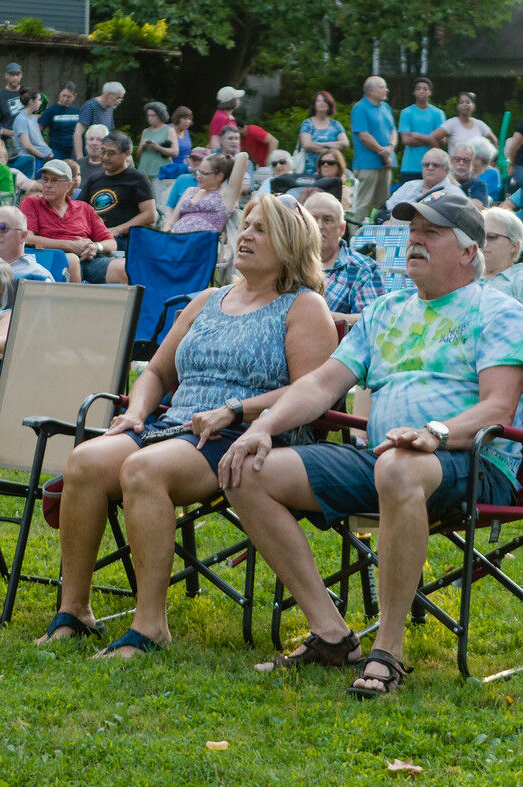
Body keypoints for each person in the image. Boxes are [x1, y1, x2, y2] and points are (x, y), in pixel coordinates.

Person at [217, 192, 523, 696]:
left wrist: (434, 433)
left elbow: (498, 409)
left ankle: (387, 651)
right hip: (384, 458)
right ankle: (330, 634)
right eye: (412, 232)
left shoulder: (499, 312)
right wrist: (262, 424)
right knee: (247, 469)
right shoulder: (386, 311)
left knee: (398, 466)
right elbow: (321, 385)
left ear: (468, 252)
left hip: (474, 460)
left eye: (431, 234)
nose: (414, 240)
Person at [39, 194, 337, 657]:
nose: (246, 235)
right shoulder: (209, 299)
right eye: (247, 225)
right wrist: (137, 411)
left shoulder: (304, 307)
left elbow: (312, 391)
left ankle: (150, 625)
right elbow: (156, 372)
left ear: (292, 244)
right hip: (173, 425)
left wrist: (236, 408)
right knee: (85, 461)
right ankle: (74, 610)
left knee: (145, 470)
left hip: (244, 434)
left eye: (262, 230)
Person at [21, 159, 113, 283]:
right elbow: (28, 238)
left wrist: (95, 246)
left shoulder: (84, 208)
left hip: (88, 259)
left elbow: (111, 243)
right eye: (45, 179)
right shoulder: (32, 202)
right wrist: (70, 245)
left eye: (54, 180)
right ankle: (76, 302)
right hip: (51, 259)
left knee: (121, 267)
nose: (47, 184)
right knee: (71, 260)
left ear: (68, 185)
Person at [304, 192, 383, 322]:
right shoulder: (287, 263)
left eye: (327, 220)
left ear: (341, 228)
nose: (319, 226)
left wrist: (324, 318)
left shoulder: (363, 269)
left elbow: (373, 320)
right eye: (312, 219)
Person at [78, 131, 156, 254]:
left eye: (111, 153)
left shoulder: (137, 178)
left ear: (126, 154)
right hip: (95, 237)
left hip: (124, 240)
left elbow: (150, 215)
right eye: (103, 151)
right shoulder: (94, 179)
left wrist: (117, 230)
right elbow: (78, 209)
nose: (104, 157)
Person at [481, 207, 523, 330]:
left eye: (491, 237)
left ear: (514, 245)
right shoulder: (465, 277)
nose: (483, 243)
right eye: (480, 237)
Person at [166, 151, 249, 234]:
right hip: (175, 239)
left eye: (204, 173)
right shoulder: (190, 191)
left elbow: (243, 156)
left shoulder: (226, 195)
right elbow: (172, 221)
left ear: (220, 176)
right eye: (199, 171)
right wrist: (164, 235)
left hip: (201, 243)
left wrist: (227, 161)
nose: (198, 176)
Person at [350, 76, 398, 220]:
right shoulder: (360, 108)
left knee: (382, 204)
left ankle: (377, 235)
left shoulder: (385, 107)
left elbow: (393, 130)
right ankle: (355, 238)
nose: (386, 90)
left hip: (386, 163)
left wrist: (391, 147)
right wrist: (383, 152)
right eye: (382, 87)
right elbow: (364, 136)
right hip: (367, 165)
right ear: (370, 90)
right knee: (362, 203)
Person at [398, 77, 445, 185]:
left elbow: (441, 142)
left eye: (425, 89)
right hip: (410, 167)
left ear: (430, 92)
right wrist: (431, 140)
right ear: (414, 92)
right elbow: (405, 140)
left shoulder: (438, 113)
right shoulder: (406, 112)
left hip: (433, 166)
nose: (421, 91)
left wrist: (418, 136)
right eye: (418, 88)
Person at [384, 148, 462, 212]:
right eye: (426, 165)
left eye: (435, 165)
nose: (430, 168)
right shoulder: (409, 186)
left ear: (446, 170)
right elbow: (386, 209)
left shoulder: (455, 193)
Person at [298, 91, 348, 176]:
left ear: (330, 104)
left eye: (325, 100)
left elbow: (345, 143)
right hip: (310, 171)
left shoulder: (336, 125)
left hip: (332, 172)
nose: (322, 103)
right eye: (318, 101)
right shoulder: (307, 124)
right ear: (314, 105)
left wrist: (321, 144)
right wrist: (331, 151)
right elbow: (307, 145)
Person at [429, 91, 494, 156]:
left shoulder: (480, 124)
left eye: (468, 102)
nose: (464, 104)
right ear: (458, 106)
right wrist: (440, 157)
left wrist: (492, 161)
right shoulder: (451, 123)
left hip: (474, 165)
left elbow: (494, 141)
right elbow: (433, 137)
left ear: (474, 106)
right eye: (461, 102)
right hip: (455, 165)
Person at [74, 82, 124, 160]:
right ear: (108, 94)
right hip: (87, 158)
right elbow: (77, 133)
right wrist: (80, 159)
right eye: (117, 98)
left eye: (121, 98)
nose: (119, 101)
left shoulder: (110, 108)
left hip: (102, 158)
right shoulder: (90, 106)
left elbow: (110, 134)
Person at [11, 89, 52, 171]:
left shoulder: (32, 117)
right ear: (31, 101)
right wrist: (43, 156)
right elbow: (27, 145)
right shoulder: (21, 119)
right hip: (31, 161)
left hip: (39, 160)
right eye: (39, 100)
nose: (40, 103)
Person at [40, 82, 80, 161]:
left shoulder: (77, 111)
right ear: (59, 94)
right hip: (56, 152)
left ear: (74, 96)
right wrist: (43, 148)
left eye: (69, 97)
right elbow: (38, 129)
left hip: (74, 151)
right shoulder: (51, 110)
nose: (65, 99)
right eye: (63, 95)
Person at [137, 102, 177, 180]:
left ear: (161, 115)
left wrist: (157, 147)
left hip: (161, 174)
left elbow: (175, 152)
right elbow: (138, 155)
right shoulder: (146, 131)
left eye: (153, 115)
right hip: (144, 172)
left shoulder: (169, 130)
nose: (150, 118)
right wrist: (143, 146)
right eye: (148, 115)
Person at [0, 62, 25, 152]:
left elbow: (36, 115)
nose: (15, 78)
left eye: (17, 74)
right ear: (6, 75)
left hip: (28, 140)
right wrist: (11, 133)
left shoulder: (27, 92)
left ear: (21, 75)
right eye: (12, 75)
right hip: (9, 143)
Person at [471, 137, 501, 203]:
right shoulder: (471, 172)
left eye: (471, 157)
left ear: (479, 159)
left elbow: (484, 195)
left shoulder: (492, 173)